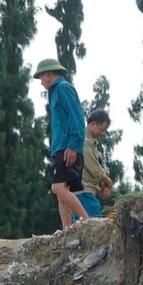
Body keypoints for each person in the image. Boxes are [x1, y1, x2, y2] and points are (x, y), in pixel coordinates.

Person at [33, 57, 88, 229]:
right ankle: (67, 229)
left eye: (41, 77)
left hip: (67, 147)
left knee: (57, 188)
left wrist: (73, 145)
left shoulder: (64, 88)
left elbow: (77, 118)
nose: (41, 82)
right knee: (62, 192)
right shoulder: (55, 92)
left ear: (48, 74)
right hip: (60, 148)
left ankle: (87, 221)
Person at [74, 109, 113, 219]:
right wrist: (108, 181)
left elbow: (103, 166)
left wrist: (105, 184)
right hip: (83, 192)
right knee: (94, 227)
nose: (102, 133)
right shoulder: (83, 142)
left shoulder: (93, 146)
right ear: (93, 124)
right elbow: (95, 168)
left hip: (88, 193)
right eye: (101, 129)